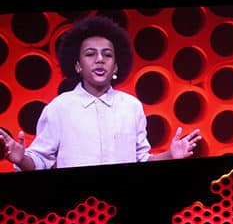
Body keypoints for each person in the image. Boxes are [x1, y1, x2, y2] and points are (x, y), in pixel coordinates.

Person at [0, 14, 201, 170]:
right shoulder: (59, 108)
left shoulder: (131, 107)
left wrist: (170, 155)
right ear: (78, 65)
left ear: (115, 67)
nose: (99, 60)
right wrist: (21, 159)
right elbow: (40, 160)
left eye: (107, 55)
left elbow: (141, 159)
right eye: (90, 54)